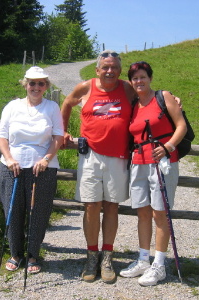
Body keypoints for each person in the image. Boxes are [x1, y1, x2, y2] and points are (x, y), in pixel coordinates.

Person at [61, 50, 136, 283]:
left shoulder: (126, 89)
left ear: (120, 71)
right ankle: (92, 255)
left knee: (111, 206)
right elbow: (67, 103)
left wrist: (172, 98)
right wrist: (63, 130)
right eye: (105, 67)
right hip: (91, 155)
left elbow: (150, 97)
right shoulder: (86, 87)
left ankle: (107, 257)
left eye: (114, 67)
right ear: (97, 70)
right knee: (91, 206)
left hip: (118, 156)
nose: (110, 71)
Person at [119, 61, 187, 286]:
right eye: (135, 78)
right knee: (143, 213)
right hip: (138, 161)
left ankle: (159, 264)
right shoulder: (134, 104)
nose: (139, 81)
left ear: (150, 78)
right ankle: (143, 260)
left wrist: (168, 147)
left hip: (162, 161)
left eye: (142, 77)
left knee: (160, 213)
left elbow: (181, 126)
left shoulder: (164, 97)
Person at [0, 66, 64, 274]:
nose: (36, 87)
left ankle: (33, 253)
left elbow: (58, 137)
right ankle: (15, 253)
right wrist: (8, 158)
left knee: (39, 212)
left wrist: (46, 159)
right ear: (25, 84)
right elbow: (2, 136)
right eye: (32, 83)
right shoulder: (12, 106)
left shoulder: (52, 107)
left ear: (46, 86)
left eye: (40, 83)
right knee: (13, 210)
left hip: (42, 168)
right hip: (13, 166)